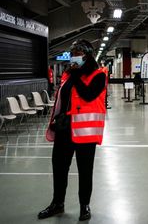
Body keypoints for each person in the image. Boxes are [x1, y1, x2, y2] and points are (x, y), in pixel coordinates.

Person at [39, 39, 107, 221]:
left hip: (85, 134)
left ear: (87, 55)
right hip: (64, 130)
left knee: (85, 171)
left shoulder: (98, 75)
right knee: (59, 168)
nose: (73, 57)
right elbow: (63, 101)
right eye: (72, 53)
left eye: (77, 53)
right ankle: (57, 204)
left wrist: (77, 75)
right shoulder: (68, 76)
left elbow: (87, 95)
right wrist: (55, 119)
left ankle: (84, 205)